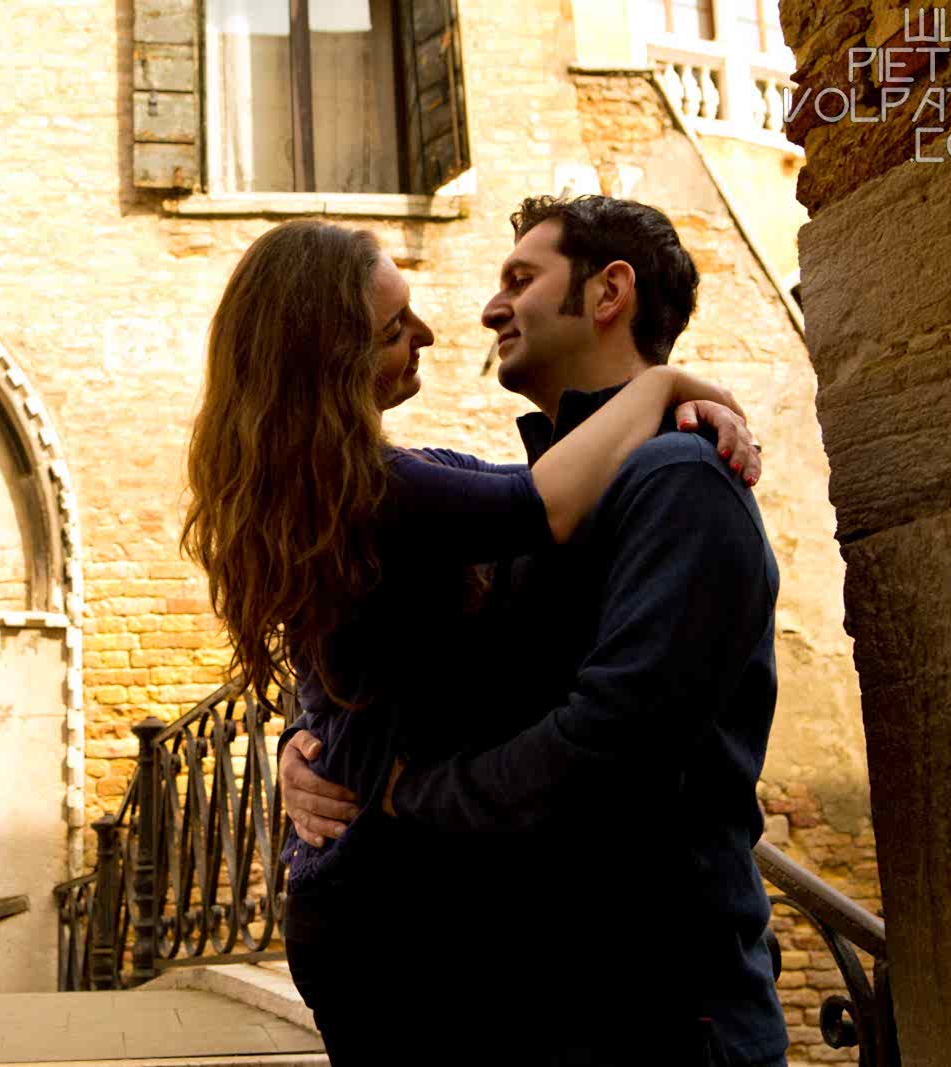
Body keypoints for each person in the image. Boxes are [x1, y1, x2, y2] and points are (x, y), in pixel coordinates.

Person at [181, 216, 761, 1065]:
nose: (437, 331)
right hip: (384, 911)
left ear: (611, 294)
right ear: (330, 361)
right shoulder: (375, 489)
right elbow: (535, 506)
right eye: (392, 330)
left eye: (519, 279)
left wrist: (306, 749)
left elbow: (335, 675)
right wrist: (666, 380)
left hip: (406, 900)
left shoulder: (372, 479)